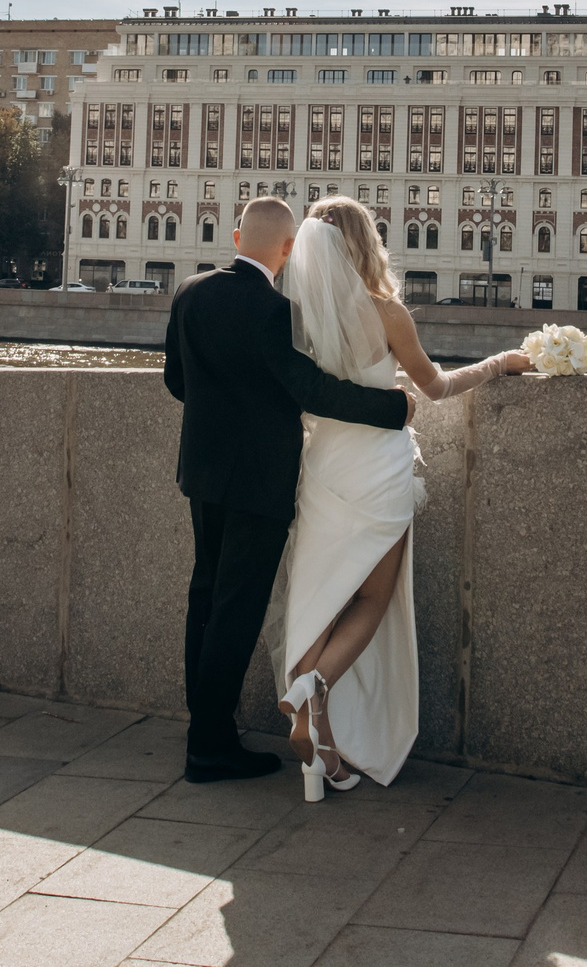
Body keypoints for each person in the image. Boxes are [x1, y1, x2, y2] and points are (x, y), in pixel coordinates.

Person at [274, 197, 529, 799]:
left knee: (320, 594)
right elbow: (436, 388)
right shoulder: (386, 312)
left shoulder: (298, 315)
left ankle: (322, 749)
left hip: (325, 466)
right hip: (379, 468)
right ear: (365, 243)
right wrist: (497, 363)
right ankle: (315, 685)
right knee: (372, 596)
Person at [162, 195, 415, 784]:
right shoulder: (274, 310)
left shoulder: (190, 292)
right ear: (287, 250)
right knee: (236, 609)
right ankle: (210, 749)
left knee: (204, 599)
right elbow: (313, 391)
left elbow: (178, 380)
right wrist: (396, 406)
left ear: (234, 238)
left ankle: (205, 728)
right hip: (258, 481)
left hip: (202, 473)